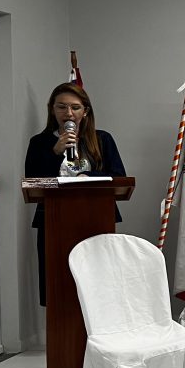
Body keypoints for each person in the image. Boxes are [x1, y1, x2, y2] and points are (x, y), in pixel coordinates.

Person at [24, 83, 126, 306]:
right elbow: (32, 180)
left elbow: (118, 176)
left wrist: (86, 175)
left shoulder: (102, 139)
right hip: (53, 221)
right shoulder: (39, 143)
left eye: (75, 107)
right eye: (61, 107)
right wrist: (55, 152)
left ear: (85, 111)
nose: (68, 113)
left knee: (98, 288)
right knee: (58, 287)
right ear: (52, 110)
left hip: (96, 218)